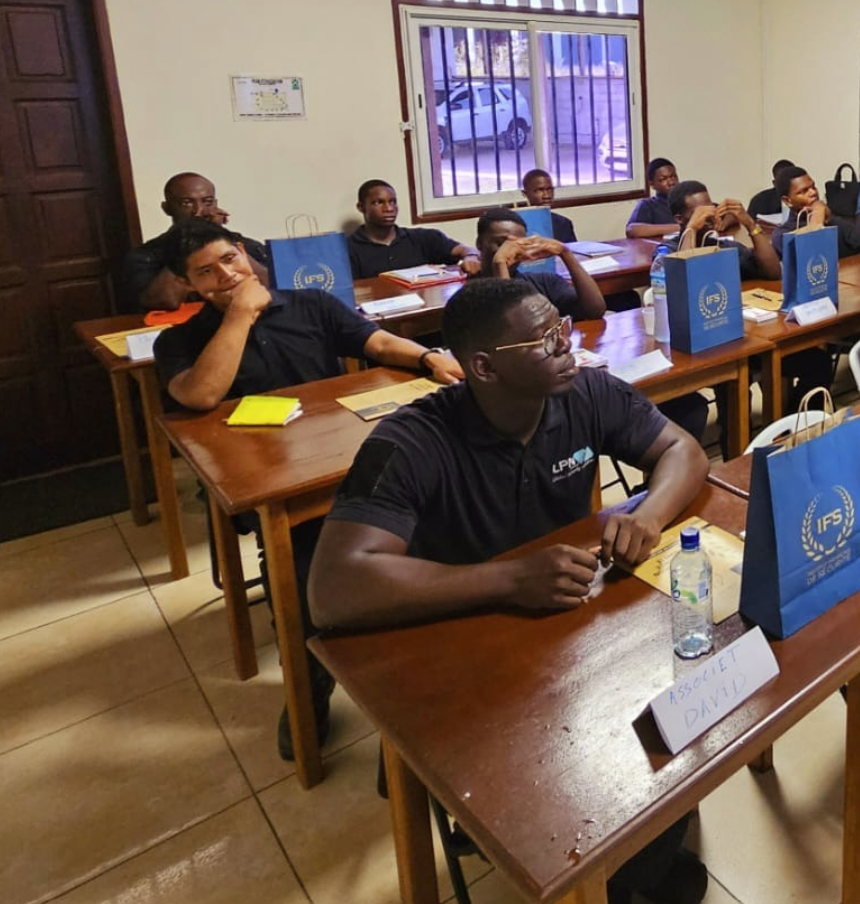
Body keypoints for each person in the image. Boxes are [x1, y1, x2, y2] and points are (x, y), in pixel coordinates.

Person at [307, 278, 710, 904]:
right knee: (611, 824)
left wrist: (649, 515)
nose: (568, 346)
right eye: (547, 339)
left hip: (570, 631)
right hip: (467, 646)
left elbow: (682, 449)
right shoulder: (412, 441)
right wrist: (507, 579)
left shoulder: (586, 392)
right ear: (485, 367)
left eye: (564, 329)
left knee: (678, 736)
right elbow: (334, 587)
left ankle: (636, 857)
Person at [152, 218, 465, 759]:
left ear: (246, 255)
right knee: (303, 575)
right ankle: (311, 683)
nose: (226, 275)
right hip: (274, 487)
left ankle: (421, 656)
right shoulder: (180, 340)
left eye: (231, 259)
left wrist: (427, 356)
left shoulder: (310, 305)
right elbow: (201, 395)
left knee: (435, 526)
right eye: (206, 271)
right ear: (189, 286)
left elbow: (374, 340)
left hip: (349, 463)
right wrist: (244, 313)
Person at [670, 180, 832, 405]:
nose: (708, 217)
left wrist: (748, 222)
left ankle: (793, 424)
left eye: (711, 208)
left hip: (745, 337)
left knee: (818, 363)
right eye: (699, 213)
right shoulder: (667, 253)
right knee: (734, 384)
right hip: (703, 345)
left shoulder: (724, 247)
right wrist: (692, 229)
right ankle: (733, 439)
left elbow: (773, 271)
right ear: (680, 219)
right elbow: (682, 283)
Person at [118, 172, 271, 312]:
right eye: (186, 203)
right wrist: (188, 235)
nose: (199, 211)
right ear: (167, 208)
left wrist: (224, 239)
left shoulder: (239, 243)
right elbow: (165, 302)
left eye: (207, 202)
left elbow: (273, 285)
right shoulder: (145, 255)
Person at [475, 208, 606, 319]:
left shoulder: (544, 282)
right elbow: (511, 330)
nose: (510, 249)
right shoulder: (470, 293)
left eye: (519, 243)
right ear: (479, 244)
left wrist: (565, 253)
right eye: (501, 243)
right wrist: (500, 263)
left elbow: (595, 311)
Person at [347, 179, 477, 280]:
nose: (389, 208)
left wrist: (471, 257)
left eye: (392, 202)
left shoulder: (423, 238)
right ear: (361, 207)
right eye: (378, 203)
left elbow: (466, 250)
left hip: (424, 309)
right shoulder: (348, 249)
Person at [770, 164, 860, 257]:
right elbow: (811, 252)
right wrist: (818, 211)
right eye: (803, 191)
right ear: (787, 201)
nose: (813, 192)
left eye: (813, 187)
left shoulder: (832, 221)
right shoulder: (781, 234)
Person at [626, 159, 682, 240]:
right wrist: (678, 227)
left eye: (673, 176)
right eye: (663, 179)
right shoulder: (648, 205)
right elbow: (632, 230)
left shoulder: (685, 201)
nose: (671, 182)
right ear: (652, 184)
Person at [520, 168, 577, 242]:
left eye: (549, 189)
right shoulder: (517, 224)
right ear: (525, 194)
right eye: (539, 190)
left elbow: (572, 251)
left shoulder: (563, 223)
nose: (546, 195)